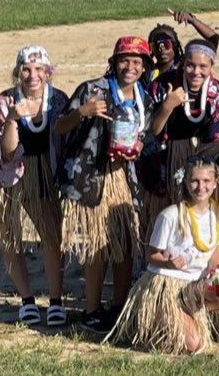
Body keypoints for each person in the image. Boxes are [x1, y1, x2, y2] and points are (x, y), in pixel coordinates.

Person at [55, 36, 155, 334]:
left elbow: (145, 135)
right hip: (93, 177)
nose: (130, 67)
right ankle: (91, 309)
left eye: (137, 62)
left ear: (144, 67)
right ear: (114, 62)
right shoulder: (92, 89)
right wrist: (81, 113)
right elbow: (59, 127)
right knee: (97, 244)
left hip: (126, 180)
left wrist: (137, 146)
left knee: (124, 244)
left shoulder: (144, 98)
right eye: (125, 60)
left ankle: (118, 305)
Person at [0, 45, 70, 327]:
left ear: (48, 73)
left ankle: (55, 300)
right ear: (18, 73)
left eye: (39, 70)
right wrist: (13, 118)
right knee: (10, 235)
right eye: (26, 69)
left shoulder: (58, 100)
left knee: (51, 236)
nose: (32, 75)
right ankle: (26, 298)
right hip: (8, 173)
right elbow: (6, 152)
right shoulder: (5, 100)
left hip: (43, 171)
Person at [105, 160, 219, 354]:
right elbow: (149, 254)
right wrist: (168, 263)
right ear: (186, 182)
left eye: (206, 181)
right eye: (195, 181)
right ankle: (163, 318)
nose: (201, 187)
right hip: (168, 285)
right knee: (192, 345)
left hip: (194, 284)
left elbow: (217, 258)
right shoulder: (171, 215)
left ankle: (190, 315)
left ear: (216, 182)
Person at [144, 39, 219, 213]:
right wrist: (168, 105)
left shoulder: (218, 92)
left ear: (211, 66)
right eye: (190, 65)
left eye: (203, 67)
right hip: (165, 152)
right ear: (183, 63)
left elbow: (214, 138)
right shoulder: (161, 85)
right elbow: (152, 131)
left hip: (202, 151)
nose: (196, 72)